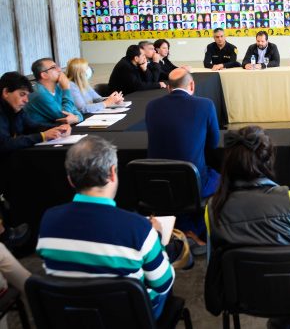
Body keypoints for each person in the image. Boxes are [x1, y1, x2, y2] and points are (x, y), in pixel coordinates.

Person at [36, 136, 175, 318]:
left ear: (70, 180)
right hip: (129, 318)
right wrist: (157, 238)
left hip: (70, 317)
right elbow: (163, 283)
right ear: (112, 173)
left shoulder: (48, 220)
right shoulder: (138, 228)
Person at [204, 126, 290, 328]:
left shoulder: (212, 209)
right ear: (268, 160)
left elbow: (214, 260)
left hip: (239, 295)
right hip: (287, 291)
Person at [146, 68, 220, 247]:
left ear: (168, 88)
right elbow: (214, 143)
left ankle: (179, 228)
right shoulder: (206, 105)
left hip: (156, 181)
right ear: (192, 85)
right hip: (192, 180)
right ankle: (193, 230)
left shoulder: (151, 106)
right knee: (220, 181)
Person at [0, 72, 70, 153]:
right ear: (6, 92)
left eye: (27, 96)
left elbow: (33, 127)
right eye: (22, 94)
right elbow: (4, 144)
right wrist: (42, 136)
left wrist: (59, 128)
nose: (26, 100)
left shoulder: (16, 110)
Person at [25, 58, 83, 127]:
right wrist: (66, 88)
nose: (59, 70)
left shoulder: (58, 87)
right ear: (44, 75)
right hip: (41, 134)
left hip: (58, 130)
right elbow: (64, 116)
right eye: (53, 67)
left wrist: (77, 118)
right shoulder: (39, 94)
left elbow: (75, 110)